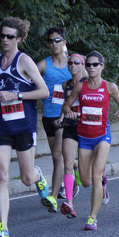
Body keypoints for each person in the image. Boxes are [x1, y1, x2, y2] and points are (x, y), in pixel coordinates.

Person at [0, 17, 55, 237]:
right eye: (2, 35)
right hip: (1, 126)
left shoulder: (25, 61)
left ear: (19, 38)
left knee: (27, 178)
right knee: (1, 176)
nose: (5, 40)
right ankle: (4, 229)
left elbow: (44, 92)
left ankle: (38, 178)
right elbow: (0, 88)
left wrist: (16, 95)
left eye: (10, 36)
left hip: (23, 126)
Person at [60, 51, 119, 231]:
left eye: (95, 64)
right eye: (88, 64)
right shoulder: (80, 87)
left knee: (96, 175)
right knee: (85, 182)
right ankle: (102, 179)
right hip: (84, 136)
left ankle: (92, 218)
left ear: (102, 66)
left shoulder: (109, 86)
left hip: (102, 136)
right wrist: (69, 111)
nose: (91, 67)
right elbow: (66, 104)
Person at [37, 27, 71, 201]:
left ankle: (53, 196)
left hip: (65, 117)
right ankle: (74, 171)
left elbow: (88, 82)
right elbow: (27, 81)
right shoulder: (43, 65)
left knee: (58, 155)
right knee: (59, 156)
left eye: (57, 40)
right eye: (50, 41)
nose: (54, 44)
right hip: (49, 116)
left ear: (64, 42)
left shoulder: (73, 63)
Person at [54, 54, 87, 218]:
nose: (72, 65)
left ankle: (102, 180)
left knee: (86, 167)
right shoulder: (65, 84)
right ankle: (69, 203)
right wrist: (61, 118)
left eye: (76, 63)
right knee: (67, 163)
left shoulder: (89, 83)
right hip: (70, 126)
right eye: (70, 63)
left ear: (82, 65)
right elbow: (65, 105)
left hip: (87, 127)